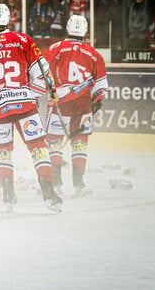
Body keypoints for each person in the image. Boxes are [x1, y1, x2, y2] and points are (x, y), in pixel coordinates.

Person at [0, 3, 63, 212]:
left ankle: (8, 192)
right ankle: (48, 190)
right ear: (9, 20)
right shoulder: (23, 39)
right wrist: (48, 91)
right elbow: (42, 70)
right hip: (25, 104)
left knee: (2, 151)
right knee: (38, 146)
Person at [45, 15, 108, 196]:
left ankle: (56, 182)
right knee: (80, 142)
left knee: (54, 140)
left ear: (67, 28)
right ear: (85, 31)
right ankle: (79, 183)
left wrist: (49, 92)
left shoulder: (55, 48)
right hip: (83, 103)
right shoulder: (94, 54)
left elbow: (43, 74)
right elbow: (101, 87)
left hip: (60, 101)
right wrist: (95, 103)